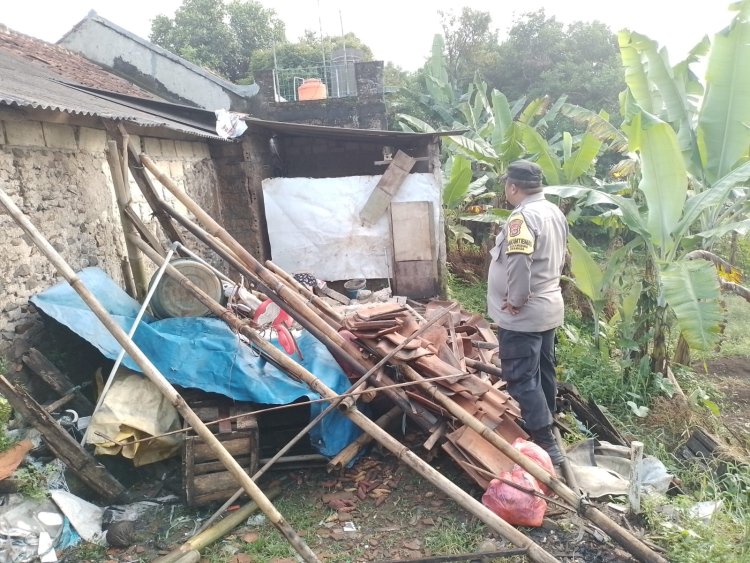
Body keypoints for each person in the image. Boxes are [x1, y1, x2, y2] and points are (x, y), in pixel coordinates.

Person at [487, 159, 568, 465]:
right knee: (542, 368)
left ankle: (547, 442)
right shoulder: (553, 211)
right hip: (548, 306)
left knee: (521, 376)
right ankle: (549, 417)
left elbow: (519, 260)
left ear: (512, 186)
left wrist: (516, 299)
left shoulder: (522, 218)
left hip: (525, 313)